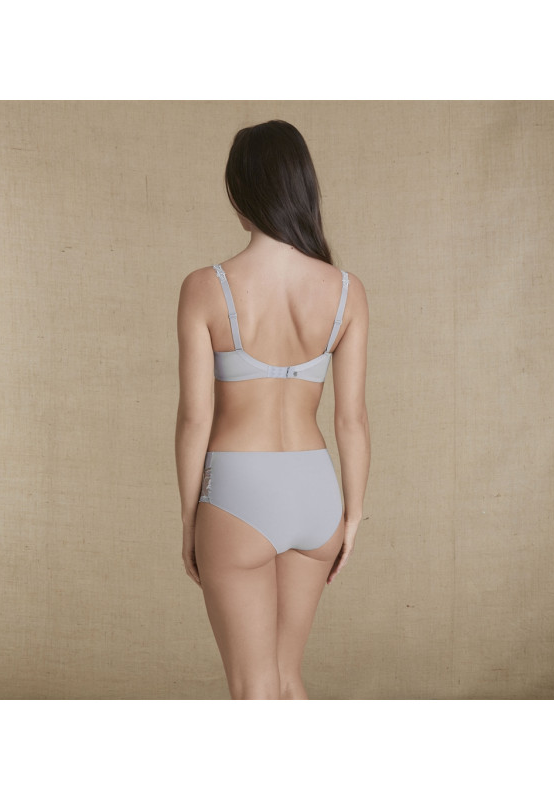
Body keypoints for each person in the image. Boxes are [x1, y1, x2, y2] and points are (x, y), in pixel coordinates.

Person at [175, 119, 370, 700]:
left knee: (253, 689)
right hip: (317, 493)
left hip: (240, 493)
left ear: (241, 194)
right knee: (287, 679)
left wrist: (189, 520)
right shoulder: (346, 291)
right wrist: (352, 516)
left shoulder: (205, 287)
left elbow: (194, 419)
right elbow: (351, 419)